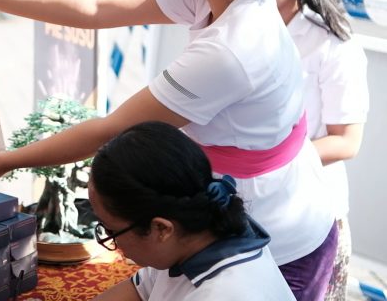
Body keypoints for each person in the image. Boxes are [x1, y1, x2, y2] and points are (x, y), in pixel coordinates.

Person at [0, 0, 337, 299]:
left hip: (279, 239)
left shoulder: (230, 50)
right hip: (233, 213)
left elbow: (110, 130)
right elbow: (97, 7)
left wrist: (4, 161)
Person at [89, 121, 294, 301]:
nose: (114, 244)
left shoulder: (224, 293)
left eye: (110, 230)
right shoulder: (190, 236)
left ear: (161, 228)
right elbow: (139, 289)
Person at [269, 0, 369, 301]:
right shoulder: (241, 28)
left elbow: (347, 141)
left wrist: (268, 163)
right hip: (255, 211)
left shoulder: (331, 41)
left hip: (313, 216)